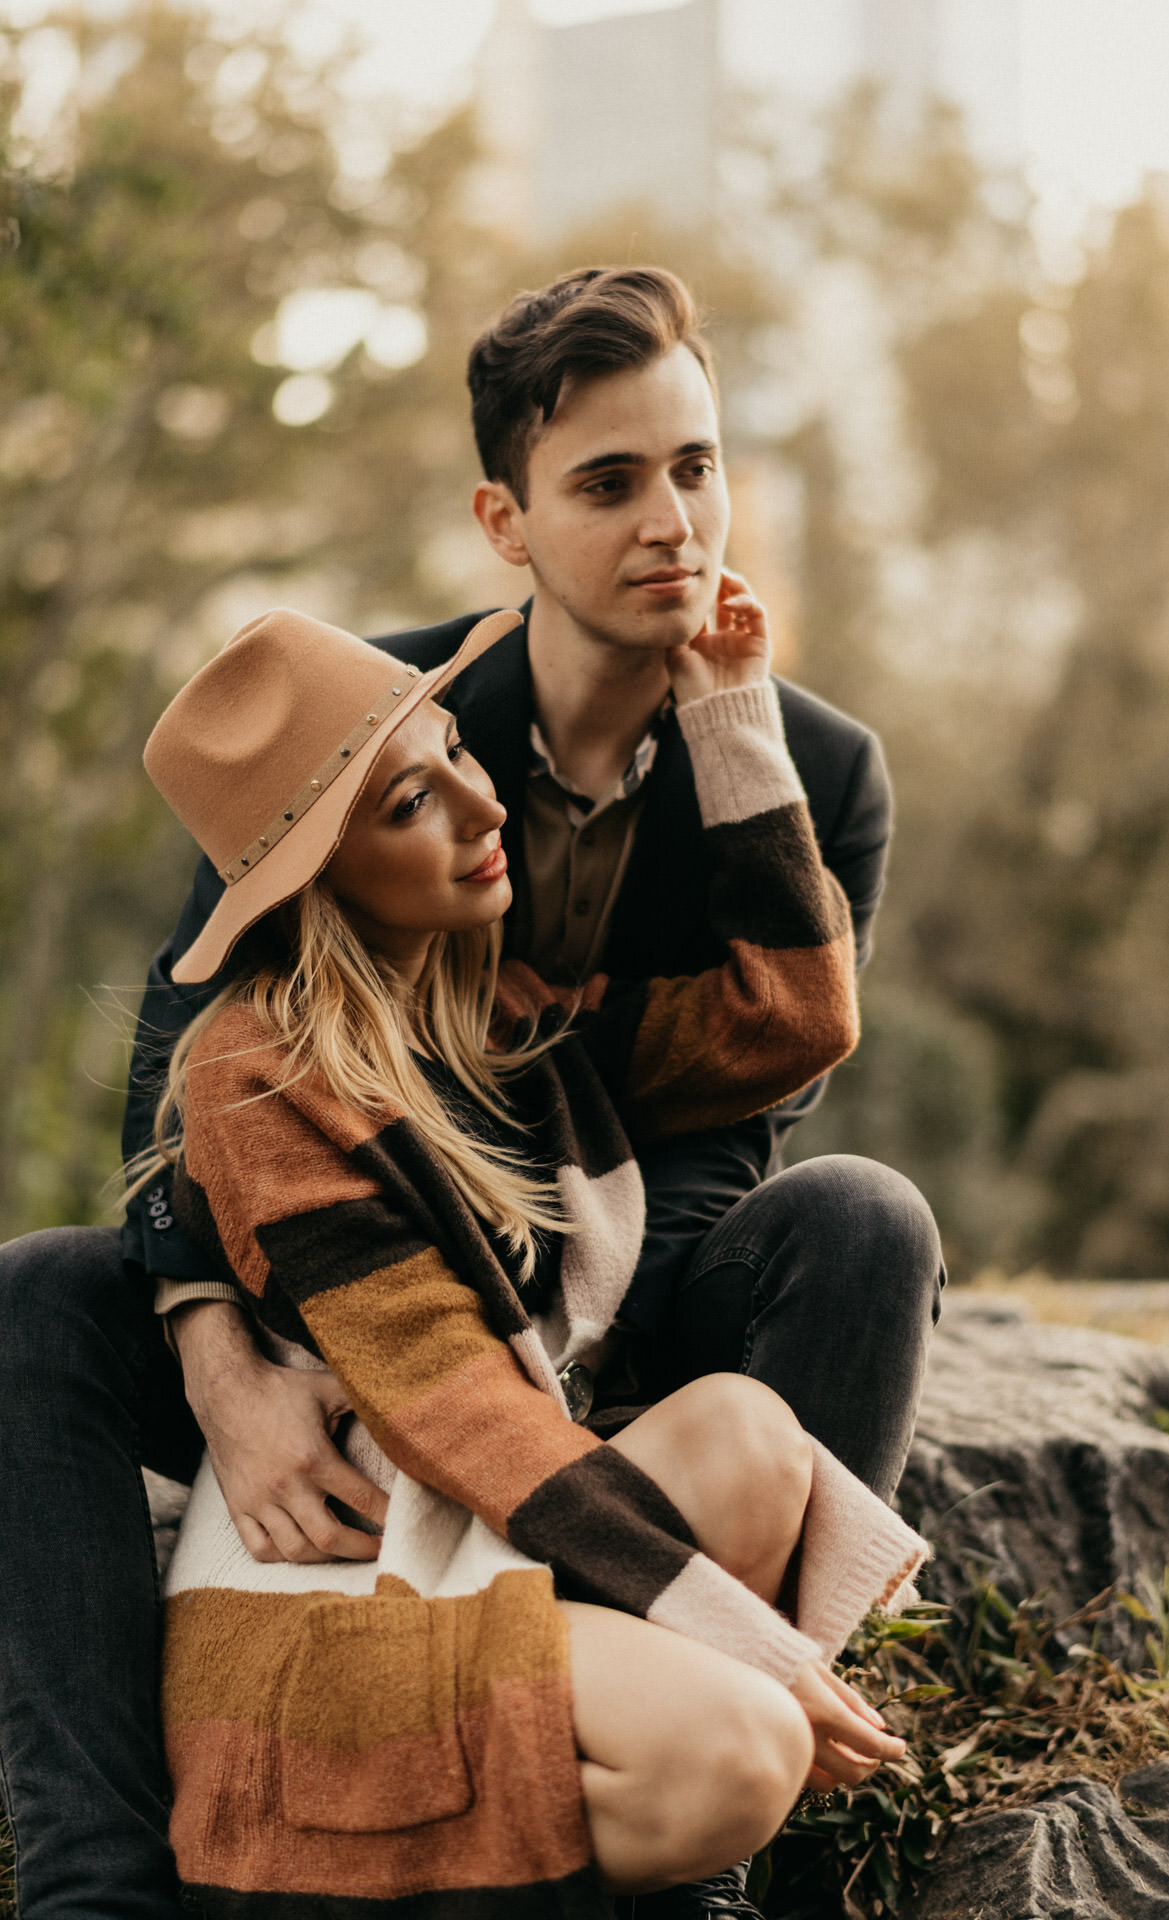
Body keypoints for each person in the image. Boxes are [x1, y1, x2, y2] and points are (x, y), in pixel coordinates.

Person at [0, 265, 942, 1920]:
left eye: (698, 467)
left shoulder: (813, 770)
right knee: (39, 1294)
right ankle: (100, 1875)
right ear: (505, 522)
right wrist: (219, 1342)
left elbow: (771, 1067)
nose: (675, 523)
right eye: (611, 482)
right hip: (368, 1295)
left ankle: (725, 1804)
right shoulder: (385, 725)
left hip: (608, 1273)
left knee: (862, 1220)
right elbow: (189, 1045)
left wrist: (731, 730)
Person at [140, 596, 926, 1914]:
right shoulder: (263, 1076)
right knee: (745, 1752)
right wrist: (756, 1648)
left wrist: (729, 713)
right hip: (331, 1623)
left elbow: (790, 1021)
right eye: (409, 805)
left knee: (745, 1435)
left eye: (453, 748)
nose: (479, 803)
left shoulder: (485, 1019)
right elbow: (465, 1413)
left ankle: (602, 1760)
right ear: (317, 878)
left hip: (466, 1549)